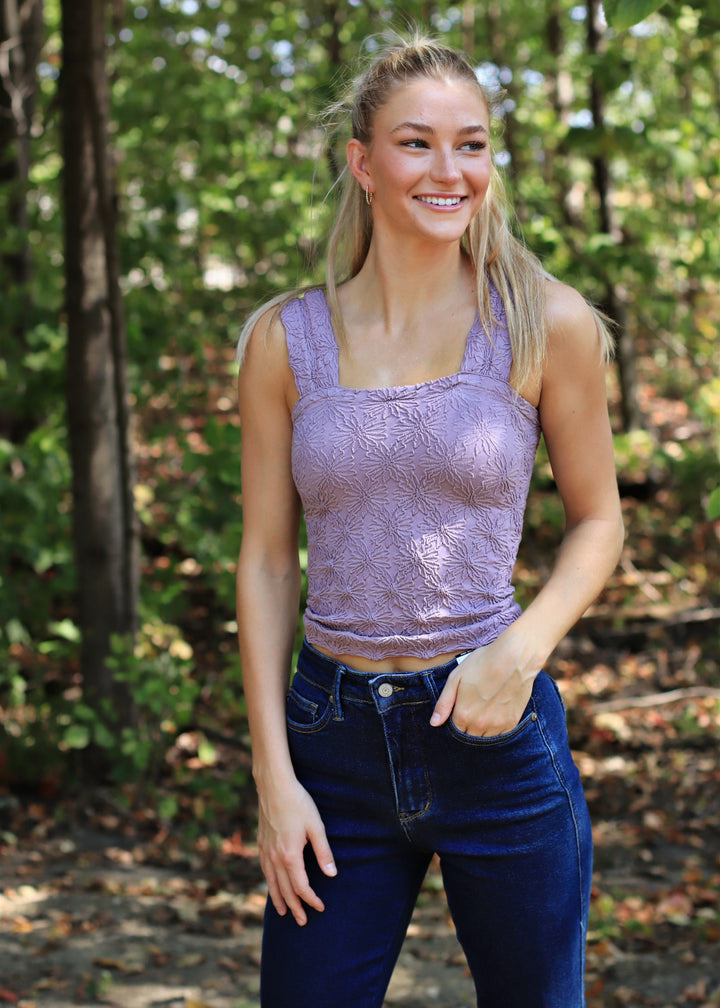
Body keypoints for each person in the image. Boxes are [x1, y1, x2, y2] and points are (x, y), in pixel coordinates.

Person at [235, 30, 624, 1008]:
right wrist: (274, 779)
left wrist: (521, 651)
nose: (450, 170)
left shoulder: (545, 323)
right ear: (363, 164)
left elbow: (600, 523)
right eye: (417, 144)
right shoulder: (288, 341)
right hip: (332, 744)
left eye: (473, 144)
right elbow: (268, 562)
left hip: (493, 729)